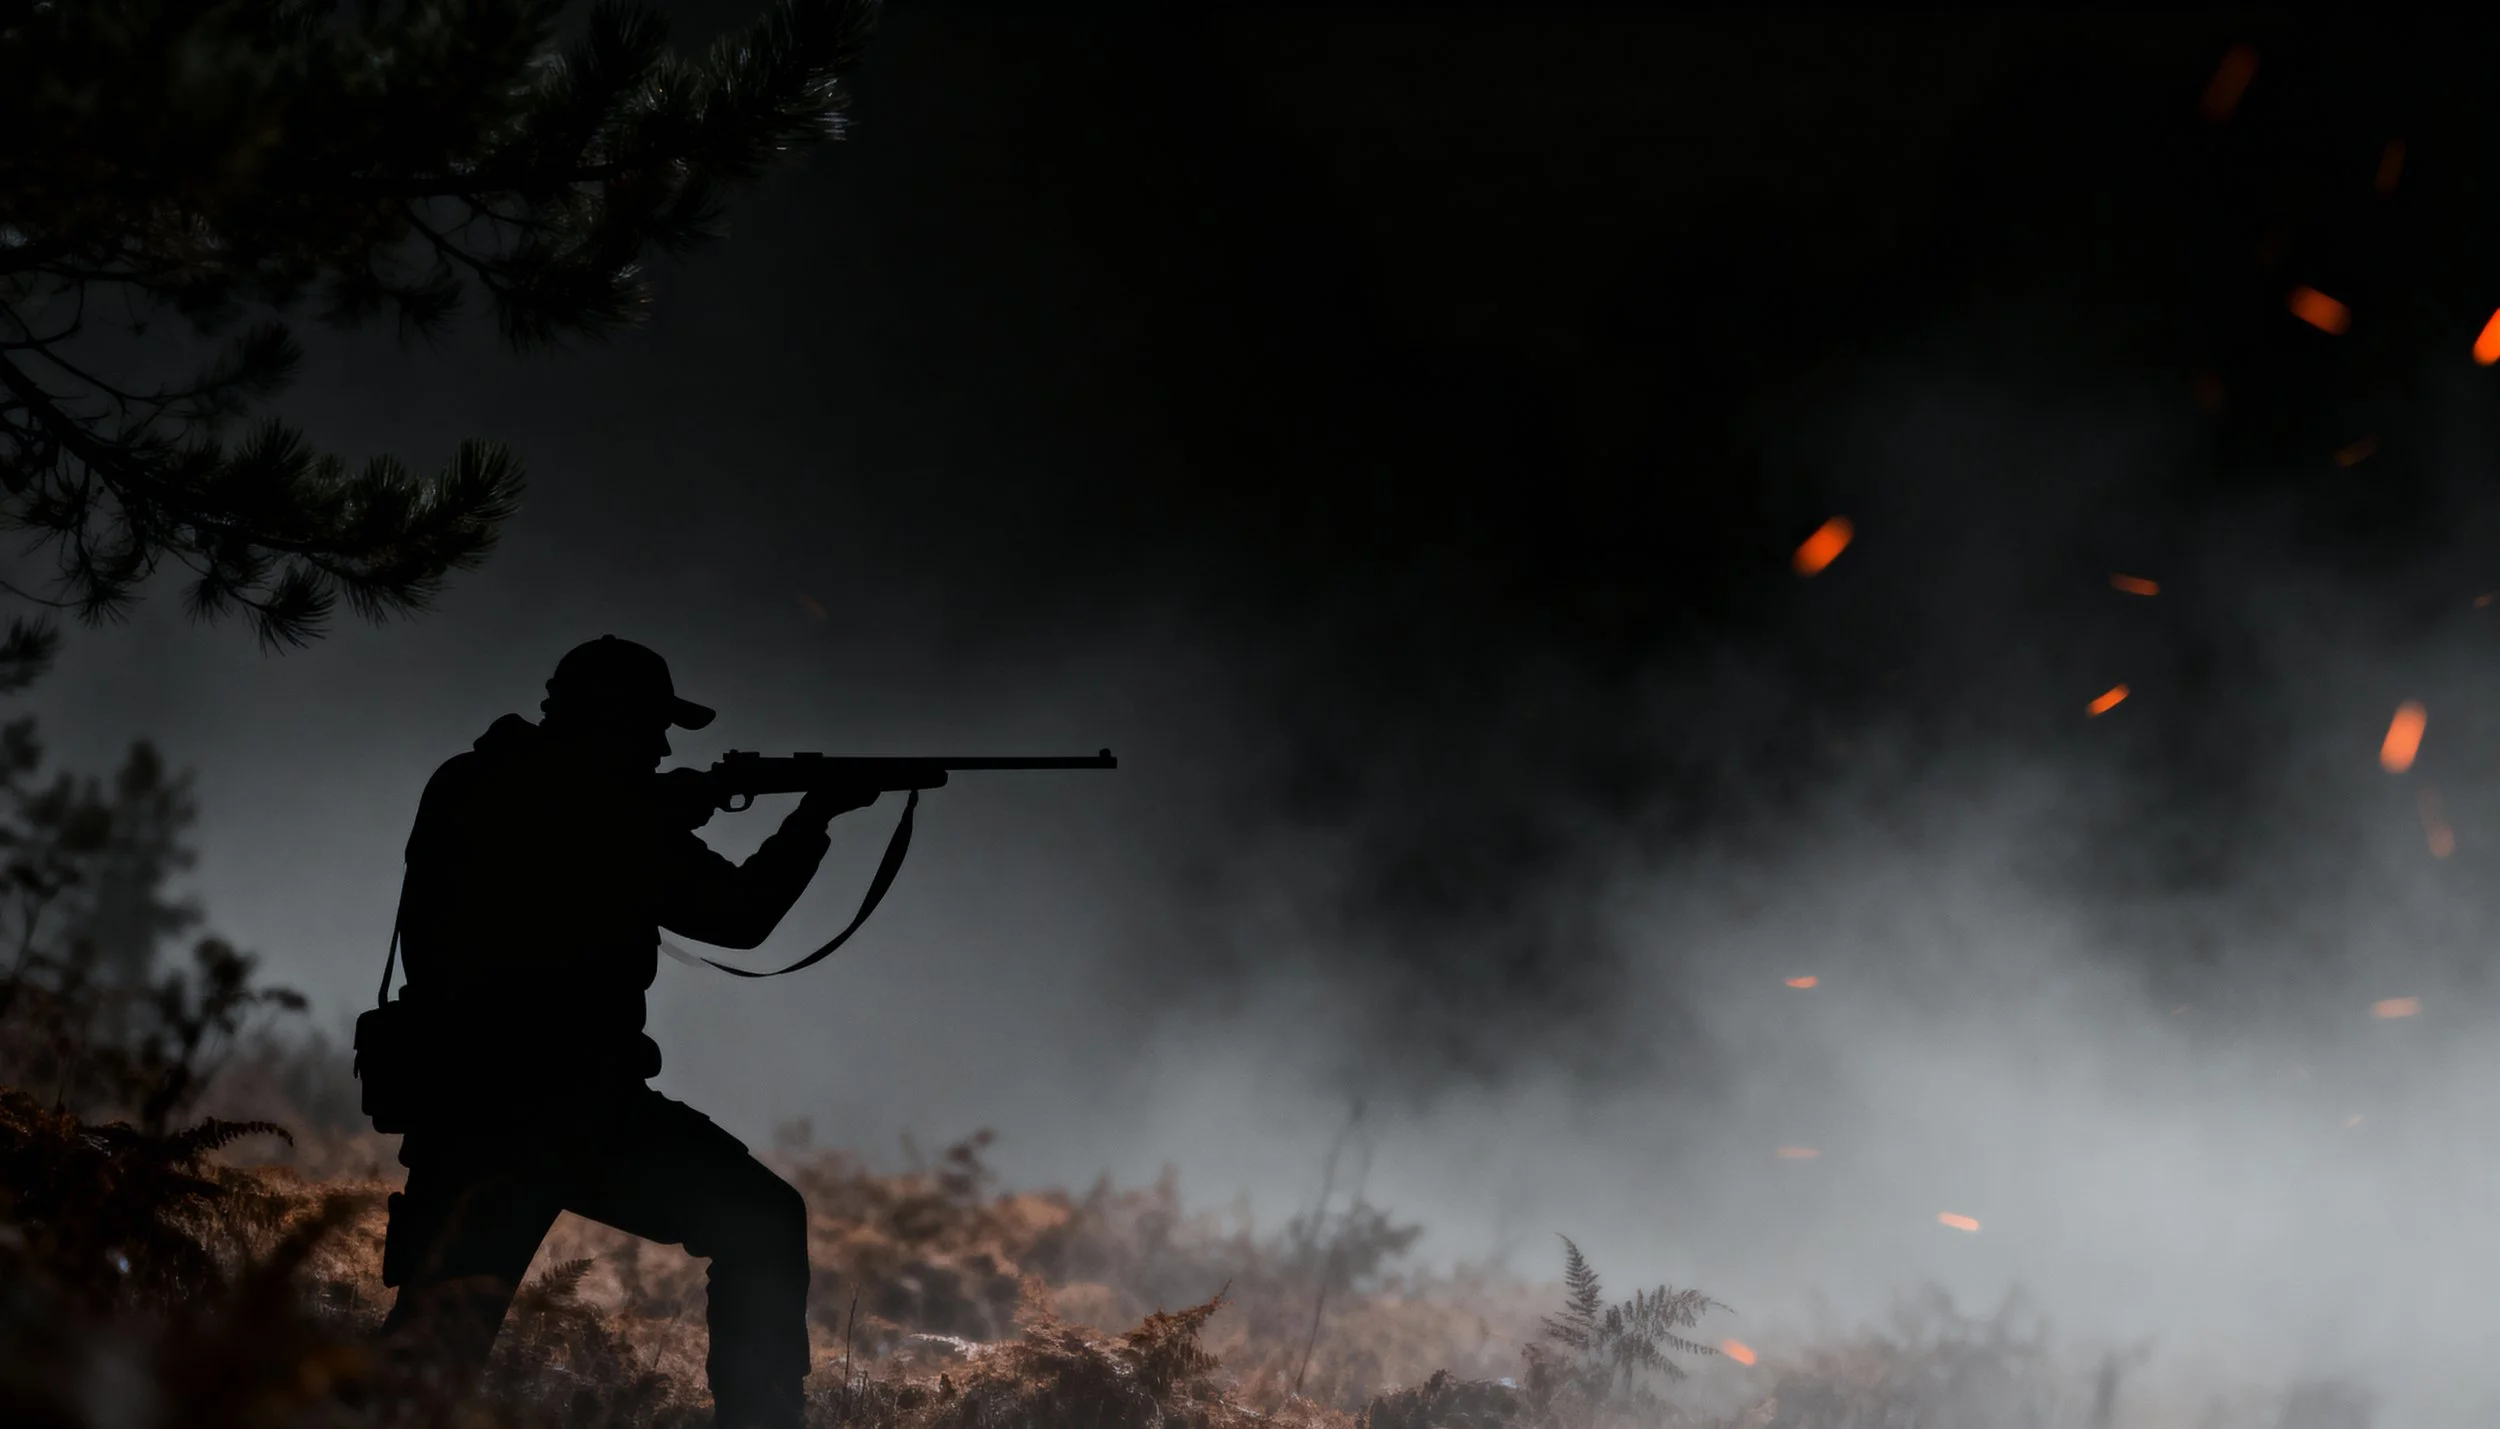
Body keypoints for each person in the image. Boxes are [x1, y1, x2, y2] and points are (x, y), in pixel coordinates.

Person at [376, 635, 878, 1429]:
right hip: (571, 1109)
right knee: (762, 1220)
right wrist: (812, 816)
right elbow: (741, 915)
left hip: (466, 1106)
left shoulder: (471, 782)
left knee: (434, 1347)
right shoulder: (606, 809)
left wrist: (667, 805)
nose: (663, 746)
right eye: (651, 726)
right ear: (613, 720)